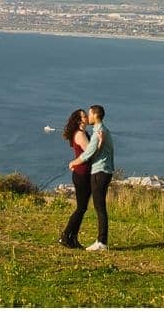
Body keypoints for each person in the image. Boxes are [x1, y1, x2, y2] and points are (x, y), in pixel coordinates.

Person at [79, 104, 114, 250]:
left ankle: (101, 242)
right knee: (100, 206)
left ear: (95, 115)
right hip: (105, 171)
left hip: (99, 172)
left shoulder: (98, 131)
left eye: (89, 114)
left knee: (100, 207)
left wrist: (74, 162)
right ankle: (101, 241)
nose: (88, 117)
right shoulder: (103, 130)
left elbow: (88, 153)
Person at [58, 108, 91, 249]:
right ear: (79, 120)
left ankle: (73, 238)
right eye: (84, 117)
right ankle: (66, 236)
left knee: (82, 208)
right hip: (81, 174)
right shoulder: (79, 135)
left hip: (83, 173)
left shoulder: (82, 133)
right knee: (80, 208)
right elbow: (90, 152)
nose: (87, 118)